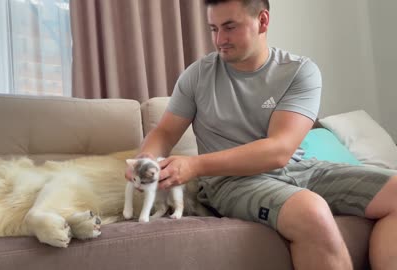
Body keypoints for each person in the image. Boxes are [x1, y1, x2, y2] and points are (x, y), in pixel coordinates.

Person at [125, 0, 397, 269]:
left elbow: (280, 150)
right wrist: (146, 158)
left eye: (230, 27)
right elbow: (165, 131)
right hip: (231, 183)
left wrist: (195, 165)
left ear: (263, 21)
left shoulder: (299, 71)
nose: (220, 39)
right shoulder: (197, 76)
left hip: (300, 168)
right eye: (213, 29)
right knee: (310, 211)